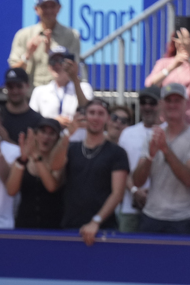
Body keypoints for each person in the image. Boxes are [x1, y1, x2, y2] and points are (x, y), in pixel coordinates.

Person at [131, 82, 190, 234]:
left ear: (186, 104)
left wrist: (165, 149)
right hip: (151, 215)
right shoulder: (152, 135)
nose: (172, 105)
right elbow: (137, 181)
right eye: (168, 101)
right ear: (161, 104)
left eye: (177, 101)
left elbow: (189, 179)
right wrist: (150, 156)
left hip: (182, 219)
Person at [50, 98, 130, 245]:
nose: (95, 117)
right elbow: (54, 166)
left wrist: (96, 221)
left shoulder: (117, 153)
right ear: (85, 116)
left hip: (103, 229)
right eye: (92, 113)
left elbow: (117, 193)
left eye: (100, 113)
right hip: (71, 225)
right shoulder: (71, 148)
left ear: (107, 118)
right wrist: (67, 134)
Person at [145, 26, 190, 134]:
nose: (185, 42)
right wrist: (172, 66)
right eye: (180, 38)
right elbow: (150, 86)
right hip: (166, 124)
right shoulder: (163, 63)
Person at [8, 0, 81, 87]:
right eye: (44, 7)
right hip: (31, 95)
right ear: (36, 9)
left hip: (61, 93)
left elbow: (73, 69)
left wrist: (51, 53)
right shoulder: (23, 35)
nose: (49, 10)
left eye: (52, 6)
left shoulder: (71, 35)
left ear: (59, 8)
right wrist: (28, 54)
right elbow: (14, 71)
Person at [116, 88, 160, 232]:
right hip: (130, 208)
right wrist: (135, 191)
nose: (147, 107)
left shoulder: (168, 133)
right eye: (143, 102)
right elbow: (122, 170)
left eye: (152, 103)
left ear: (161, 104)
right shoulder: (127, 134)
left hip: (159, 210)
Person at [10, 116, 66, 229]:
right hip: (24, 224)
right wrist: (22, 161)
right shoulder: (22, 160)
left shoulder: (60, 161)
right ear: (35, 135)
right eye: (43, 132)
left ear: (57, 138)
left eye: (51, 134)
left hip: (54, 225)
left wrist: (36, 157)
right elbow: (11, 190)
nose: (46, 137)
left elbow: (52, 187)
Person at [29, 46, 94, 130]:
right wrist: (53, 121)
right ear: (48, 67)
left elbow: (87, 109)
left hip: (75, 139)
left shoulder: (84, 87)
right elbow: (31, 120)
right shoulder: (39, 91)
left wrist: (75, 78)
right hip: (48, 139)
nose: (56, 65)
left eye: (61, 61)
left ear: (70, 64)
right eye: (52, 61)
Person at [0, 67, 42, 144]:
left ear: (27, 86)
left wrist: (6, 140)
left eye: (19, 86)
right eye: (10, 87)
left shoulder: (37, 121)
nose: (15, 91)